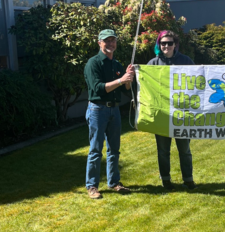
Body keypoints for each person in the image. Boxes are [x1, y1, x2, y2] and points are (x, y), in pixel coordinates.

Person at [84, 29, 136, 200]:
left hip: (114, 110)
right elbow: (98, 87)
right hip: (98, 110)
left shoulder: (117, 64)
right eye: (107, 41)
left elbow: (126, 89)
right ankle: (92, 186)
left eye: (113, 40)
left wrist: (128, 77)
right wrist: (121, 80)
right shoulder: (93, 63)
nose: (111, 44)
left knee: (114, 149)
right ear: (99, 43)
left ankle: (114, 182)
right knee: (95, 150)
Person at [148, 31, 197, 191]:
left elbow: (196, 82)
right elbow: (145, 85)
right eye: (163, 43)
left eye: (169, 43)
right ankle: (166, 180)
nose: (166, 46)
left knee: (185, 149)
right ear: (159, 45)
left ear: (175, 44)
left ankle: (188, 179)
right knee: (163, 150)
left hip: (182, 114)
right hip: (162, 114)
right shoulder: (153, 64)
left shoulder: (186, 61)